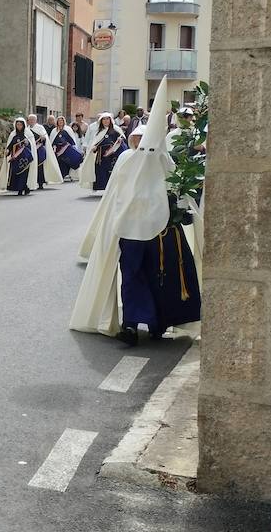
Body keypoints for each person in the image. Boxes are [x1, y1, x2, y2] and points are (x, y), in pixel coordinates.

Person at [71, 79, 201, 345]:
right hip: (130, 234)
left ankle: (157, 322)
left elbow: (177, 193)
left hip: (161, 235)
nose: (144, 148)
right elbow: (115, 198)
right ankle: (130, 323)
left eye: (147, 142)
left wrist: (180, 210)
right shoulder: (128, 161)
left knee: (160, 278)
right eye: (139, 141)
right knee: (131, 278)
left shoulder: (164, 161)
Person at [0, 118, 38, 196]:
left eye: (20, 125)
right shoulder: (13, 134)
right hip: (15, 159)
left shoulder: (28, 134)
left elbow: (31, 146)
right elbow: (10, 145)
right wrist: (8, 151)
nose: (19, 126)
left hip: (25, 159)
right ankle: (23, 188)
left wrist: (27, 143)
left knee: (24, 175)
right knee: (16, 174)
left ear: (23, 125)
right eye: (17, 124)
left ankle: (21, 189)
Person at [90, 112, 128, 193]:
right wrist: (94, 147)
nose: (106, 121)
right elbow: (96, 142)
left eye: (107, 119)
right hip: (102, 156)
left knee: (113, 172)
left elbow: (122, 139)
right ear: (101, 121)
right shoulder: (99, 131)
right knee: (102, 172)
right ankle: (104, 188)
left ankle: (114, 189)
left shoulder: (116, 129)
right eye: (104, 119)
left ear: (110, 120)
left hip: (113, 155)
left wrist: (120, 140)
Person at [31, 122, 63, 189]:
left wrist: (43, 138)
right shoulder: (27, 129)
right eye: (29, 120)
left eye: (32, 120)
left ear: (35, 120)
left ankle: (40, 183)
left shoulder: (40, 127)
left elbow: (45, 138)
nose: (31, 121)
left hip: (39, 150)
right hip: (31, 151)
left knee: (40, 168)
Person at [52, 115, 84, 182]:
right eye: (59, 121)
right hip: (57, 151)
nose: (60, 122)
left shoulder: (68, 129)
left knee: (68, 162)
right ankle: (61, 176)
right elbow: (52, 140)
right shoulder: (54, 130)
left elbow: (72, 140)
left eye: (62, 121)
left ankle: (70, 175)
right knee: (60, 163)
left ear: (64, 122)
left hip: (67, 150)